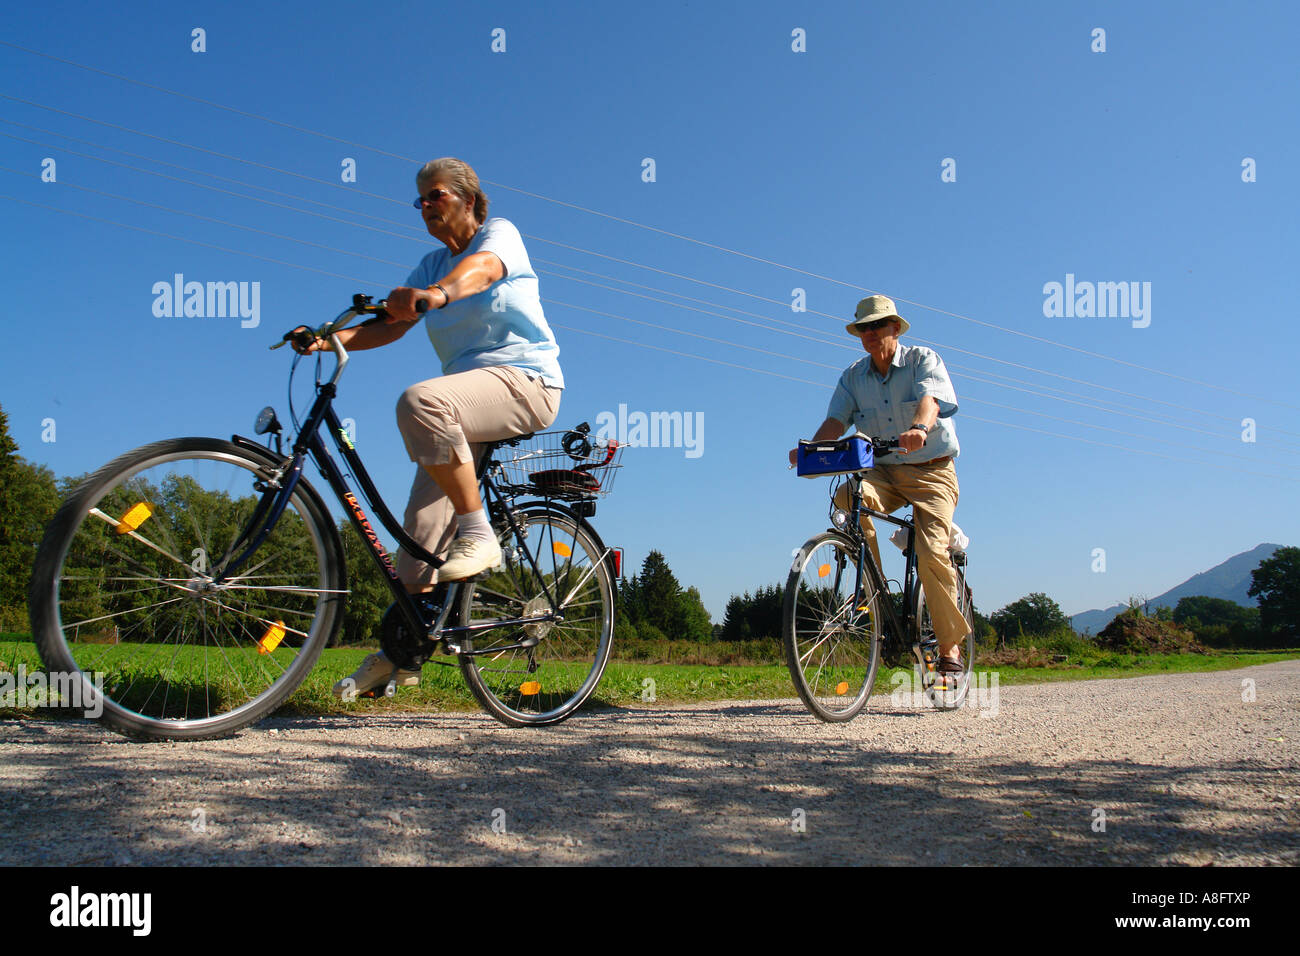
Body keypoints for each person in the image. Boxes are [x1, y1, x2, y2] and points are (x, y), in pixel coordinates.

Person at [294, 157, 564, 697]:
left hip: (525, 383)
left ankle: (481, 536)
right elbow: (391, 325)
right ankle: (402, 656)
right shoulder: (430, 264)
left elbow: (483, 270)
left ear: (468, 199)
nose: (425, 208)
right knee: (414, 557)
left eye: (435, 196)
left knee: (418, 401)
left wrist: (438, 295)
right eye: (419, 201)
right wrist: (328, 340)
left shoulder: (497, 236)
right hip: (462, 405)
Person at [788, 294, 971, 680]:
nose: (869, 334)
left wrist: (919, 429)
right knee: (847, 496)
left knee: (930, 550)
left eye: (877, 326)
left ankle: (950, 645)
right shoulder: (853, 376)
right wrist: (811, 451)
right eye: (863, 328)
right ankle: (873, 590)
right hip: (883, 473)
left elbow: (930, 400)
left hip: (932, 471)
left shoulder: (923, 359)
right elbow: (836, 423)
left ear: (894, 328)